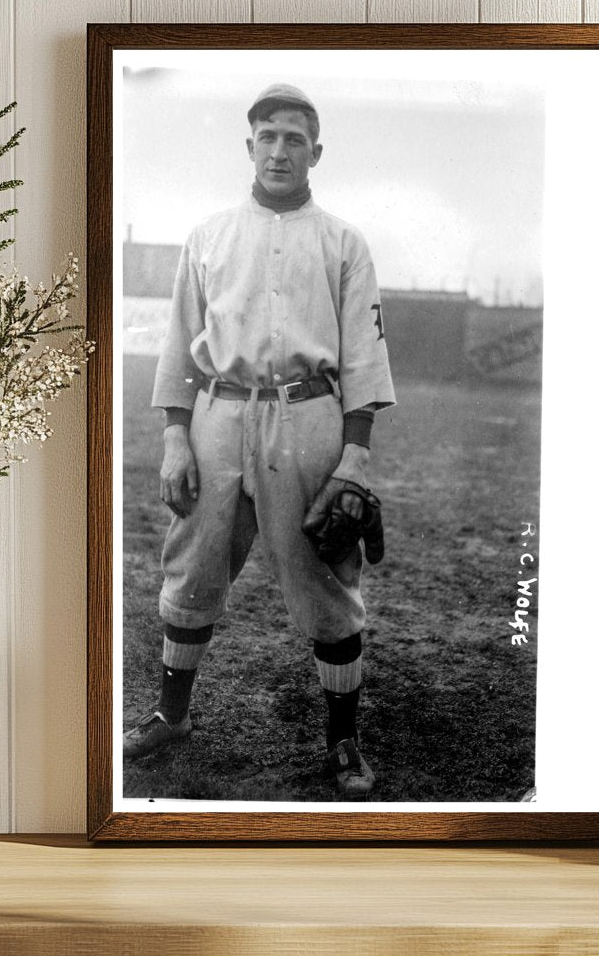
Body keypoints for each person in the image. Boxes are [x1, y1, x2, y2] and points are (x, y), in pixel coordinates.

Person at [123, 84, 395, 799]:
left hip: (307, 417)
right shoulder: (209, 235)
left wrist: (356, 453)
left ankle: (344, 743)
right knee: (192, 565)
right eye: (267, 137)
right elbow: (181, 344)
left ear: (316, 152)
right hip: (218, 413)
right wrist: (175, 437)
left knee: (325, 576)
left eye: (294, 139)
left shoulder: (342, 241)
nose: (280, 150)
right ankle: (170, 716)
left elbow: (364, 352)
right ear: (250, 147)